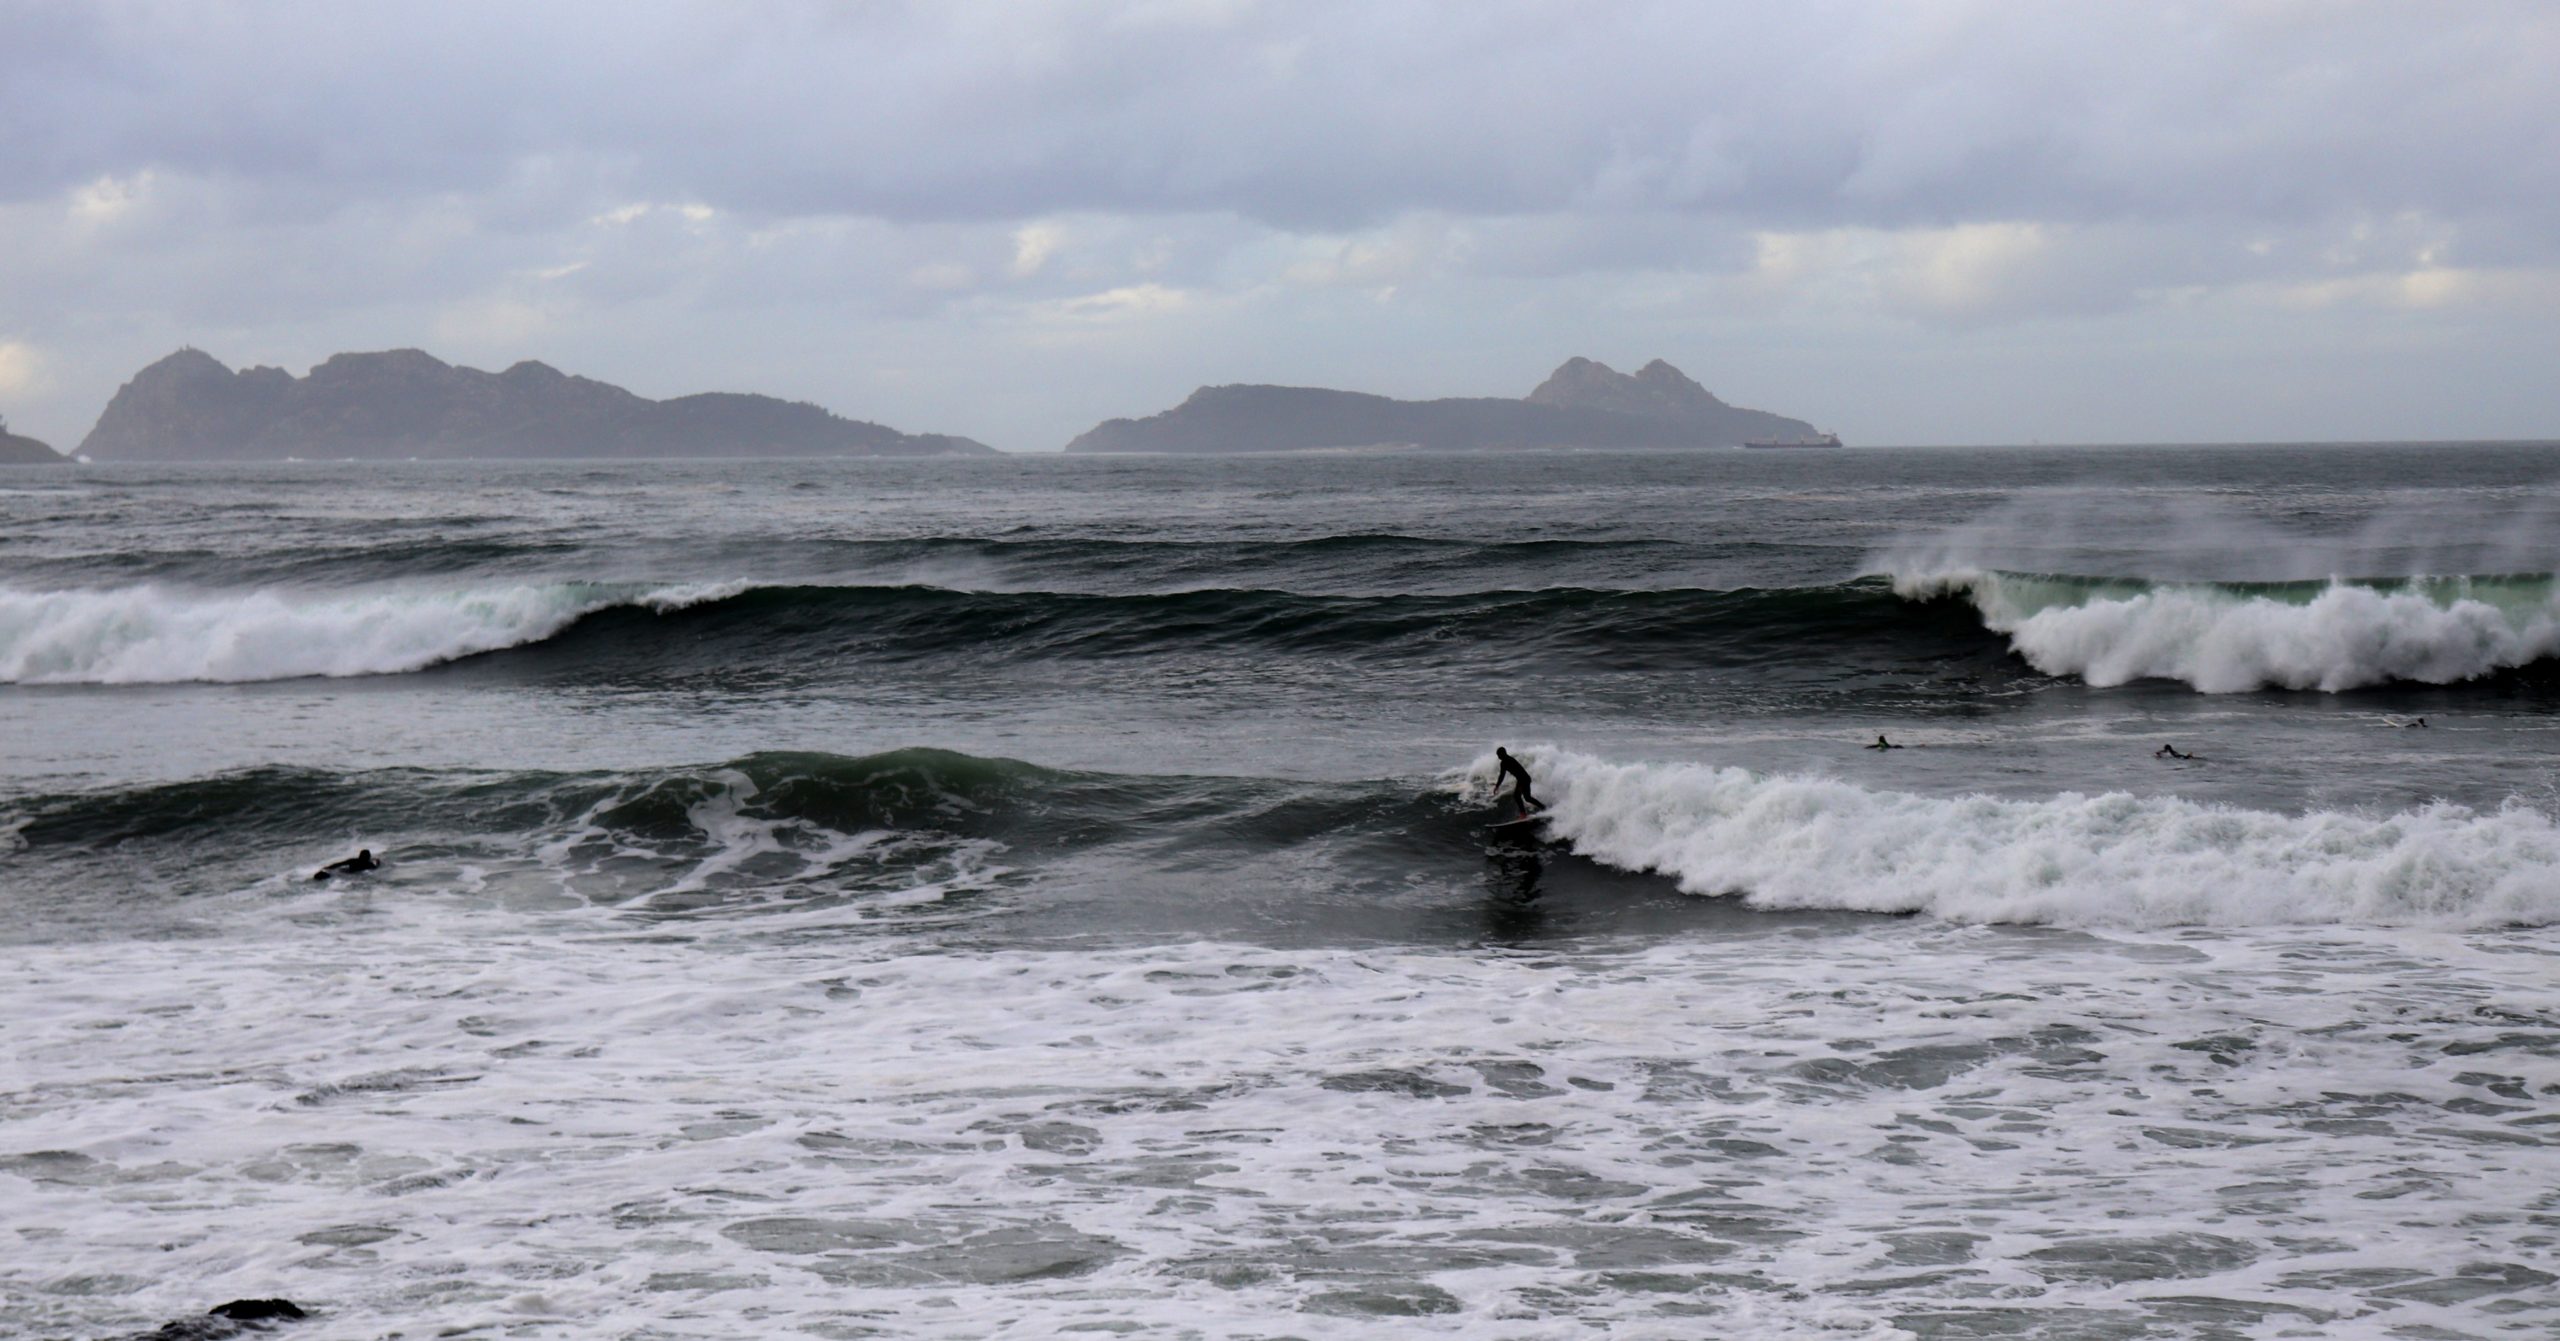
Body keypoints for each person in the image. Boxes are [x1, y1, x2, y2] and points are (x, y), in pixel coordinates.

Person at [1493, 747, 1542, 816]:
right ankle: (1543, 807)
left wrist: (1521, 785)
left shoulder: (1510, 760)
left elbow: (1520, 772)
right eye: (1498, 755)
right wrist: (1497, 786)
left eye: (1499, 755)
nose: (1498, 757)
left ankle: (1523, 814)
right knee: (1527, 798)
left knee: (1517, 796)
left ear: (1503, 754)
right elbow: (1502, 775)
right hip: (1524, 779)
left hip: (1524, 779)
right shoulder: (1503, 763)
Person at [312, 849, 380, 881]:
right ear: (368, 857)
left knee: (334, 874)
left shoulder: (353, 860)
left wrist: (328, 867)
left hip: (347, 872)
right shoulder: (369, 864)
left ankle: (322, 876)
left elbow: (339, 864)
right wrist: (378, 862)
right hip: (354, 875)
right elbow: (376, 867)